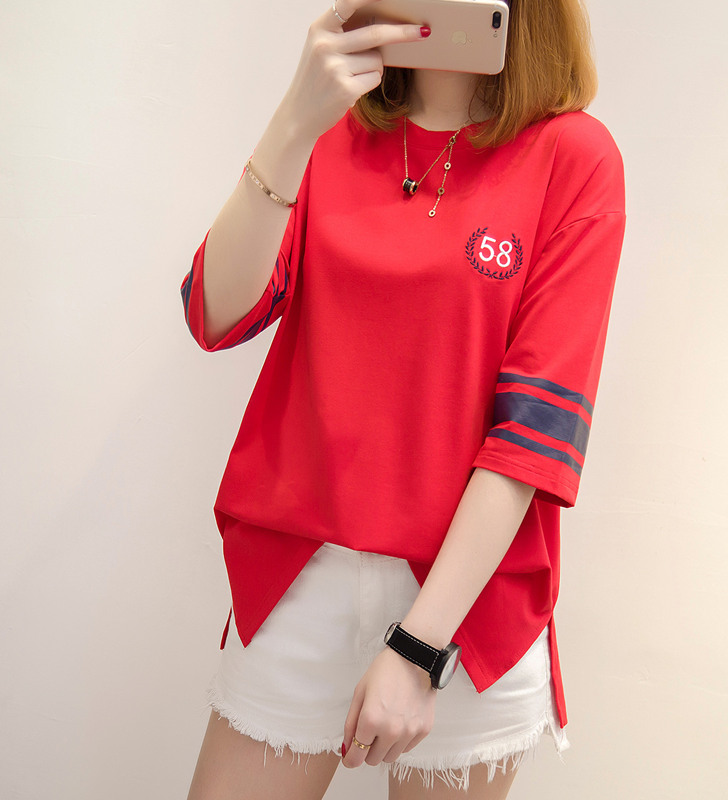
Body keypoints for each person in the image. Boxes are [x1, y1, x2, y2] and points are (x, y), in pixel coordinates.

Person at [181, 0, 626, 797]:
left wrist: (420, 647)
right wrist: (294, 119)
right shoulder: (332, 131)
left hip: (464, 609)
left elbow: (534, 435)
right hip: (299, 575)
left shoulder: (573, 156)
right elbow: (215, 314)